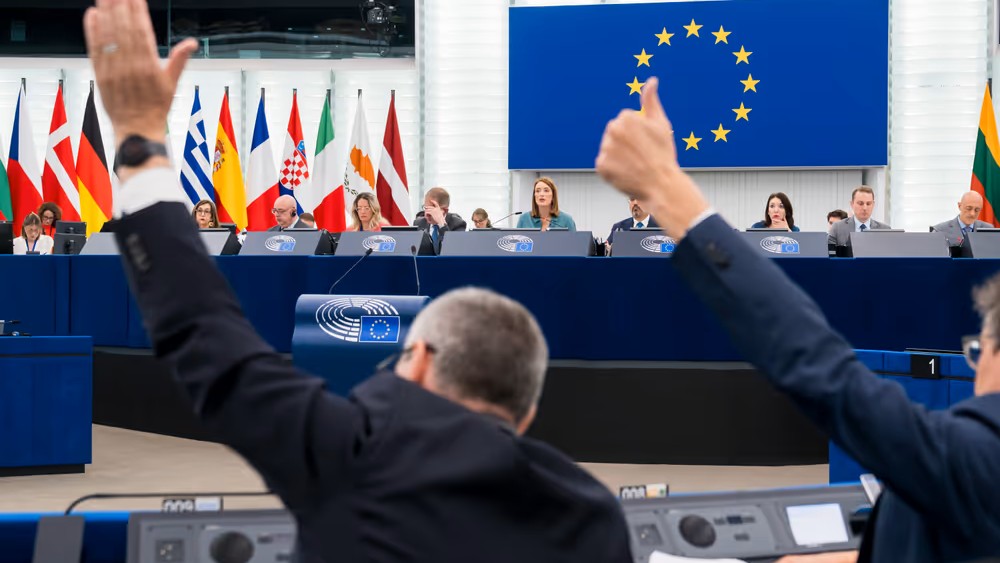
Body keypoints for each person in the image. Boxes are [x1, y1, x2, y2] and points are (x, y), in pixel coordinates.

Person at [82, 5, 632, 560]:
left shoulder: (344, 451)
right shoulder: (592, 516)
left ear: (415, 359)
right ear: (528, 411)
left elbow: (206, 335)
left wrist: (139, 145)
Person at [596, 77, 1000, 563]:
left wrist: (665, 187)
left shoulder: (977, 461)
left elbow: (820, 366)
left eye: (979, 351)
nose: (974, 367)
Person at [827, 186, 891, 246]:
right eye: (860, 203)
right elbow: (830, 254)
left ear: (873, 205)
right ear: (852, 204)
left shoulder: (885, 230)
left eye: (868, 204)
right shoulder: (838, 228)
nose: (865, 208)